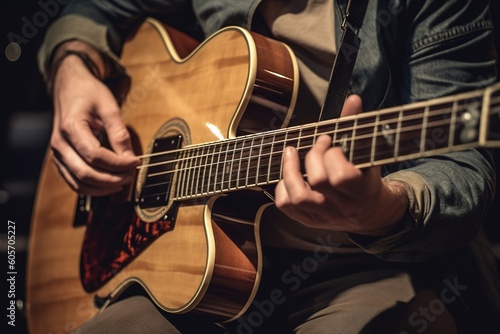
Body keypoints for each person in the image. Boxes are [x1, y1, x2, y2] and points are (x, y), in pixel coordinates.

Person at [36, 0, 500, 333]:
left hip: (363, 266)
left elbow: (462, 167)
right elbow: (94, 10)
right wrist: (70, 66)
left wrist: (383, 210)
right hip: (197, 267)